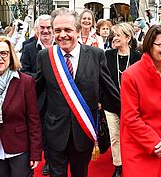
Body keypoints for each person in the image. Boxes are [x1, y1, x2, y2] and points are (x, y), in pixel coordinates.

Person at [35, 7, 120, 177]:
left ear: (79, 31)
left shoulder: (96, 55)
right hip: (54, 131)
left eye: (68, 30)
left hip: (83, 132)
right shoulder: (45, 56)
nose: (62, 35)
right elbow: (35, 91)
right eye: (58, 30)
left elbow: (110, 90)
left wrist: (127, 115)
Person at [120, 25, 161, 177]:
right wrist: (156, 144)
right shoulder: (131, 75)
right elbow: (131, 118)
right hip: (139, 149)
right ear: (149, 45)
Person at [0, 36, 42, 177]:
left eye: (3, 53)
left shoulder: (25, 82)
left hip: (19, 148)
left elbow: (34, 120)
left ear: (11, 56)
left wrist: (35, 153)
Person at [101, 22, 142, 177]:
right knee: (115, 137)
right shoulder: (107, 55)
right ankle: (118, 165)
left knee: (132, 137)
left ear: (128, 37)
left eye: (118, 35)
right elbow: (102, 80)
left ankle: (132, 161)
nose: (114, 38)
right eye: (114, 35)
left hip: (133, 106)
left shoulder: (139, 57)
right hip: (110, 104)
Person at [20, 14, 53, 176]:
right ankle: (43, 158)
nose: (46, 31)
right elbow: (23, 72)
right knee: (39, 129)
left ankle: (51, 159)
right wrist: (42, 76)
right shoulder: (28, 48)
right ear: (36, 29)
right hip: (37, 97)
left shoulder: (60, 46)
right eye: (42, 28)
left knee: (54, 130)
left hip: (58, 98)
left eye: (48, 27)